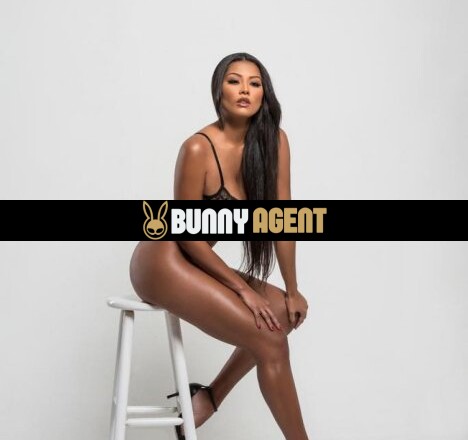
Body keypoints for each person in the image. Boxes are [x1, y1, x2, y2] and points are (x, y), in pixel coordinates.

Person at [129, 52, 309, 439]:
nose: (245, 89)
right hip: (163, 261)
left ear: (264, 94)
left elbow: (283, 219)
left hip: (197, 262)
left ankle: (208, 398)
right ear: (218, 91)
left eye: (254, 83)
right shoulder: (198, 148)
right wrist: (243, 290)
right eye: (234, 81)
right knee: (271, 340)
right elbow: (186, 235)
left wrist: (292, 289)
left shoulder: (275, 143)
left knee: (281, 313)